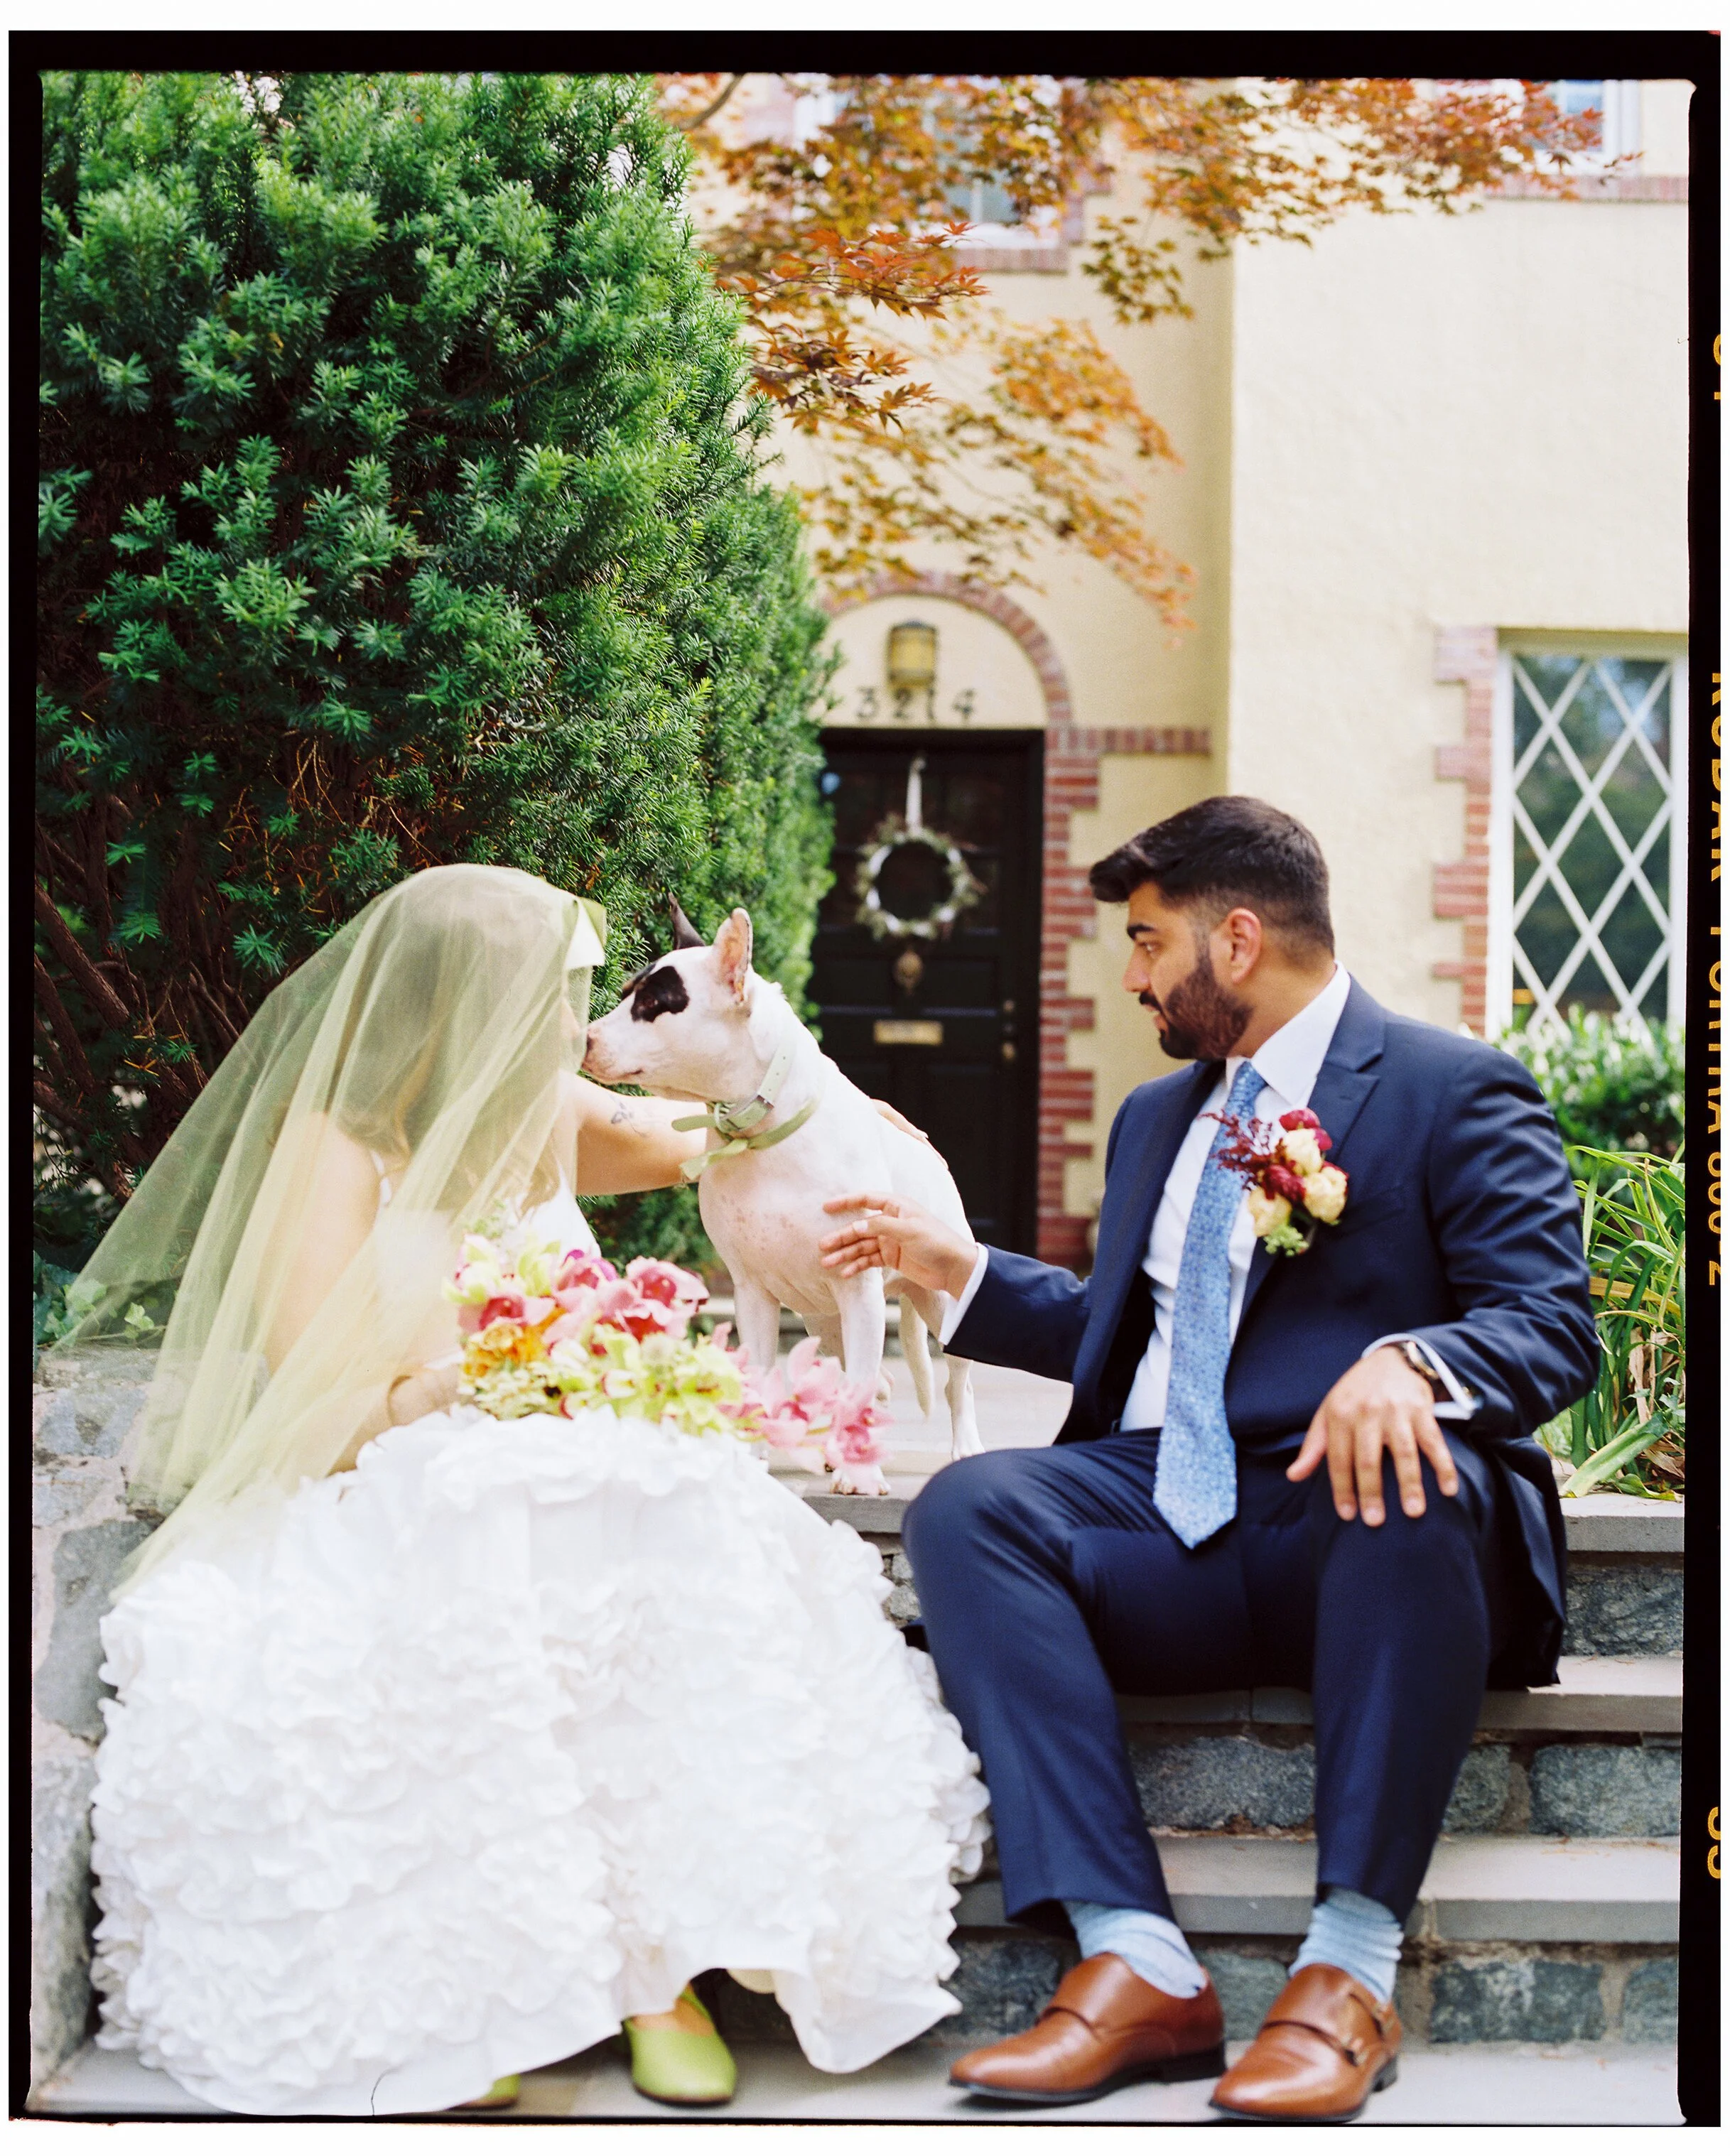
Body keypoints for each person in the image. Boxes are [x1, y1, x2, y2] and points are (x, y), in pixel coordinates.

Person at [75, 864, 987, 2118]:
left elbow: (727, 1124)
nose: (577, 1022)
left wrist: (860, 1135)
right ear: (466, 997)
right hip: (396, 1456)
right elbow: (313, 1384)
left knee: (661, 1525)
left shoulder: (543, 1103)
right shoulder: (335, 1139)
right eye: (556, 993)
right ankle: (484, 1984)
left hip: (574, 1436)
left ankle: (658, 1971)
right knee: (498, 1545)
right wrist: (463, 1385)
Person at [818, 796, 1599, 2125]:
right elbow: (1147, 1334)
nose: (1128, 977)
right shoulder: (1149, 1119)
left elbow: (1549, 1322)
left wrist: (1410, 1363)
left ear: (1235, 941)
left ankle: (1346, 1974)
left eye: (1143, 941)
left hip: (1355, 1532)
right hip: (1172, 1528)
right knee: (971, 1506)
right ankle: (1134, 1960)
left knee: (1418, 1474)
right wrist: (964, 1275)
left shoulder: (1447, 1087)